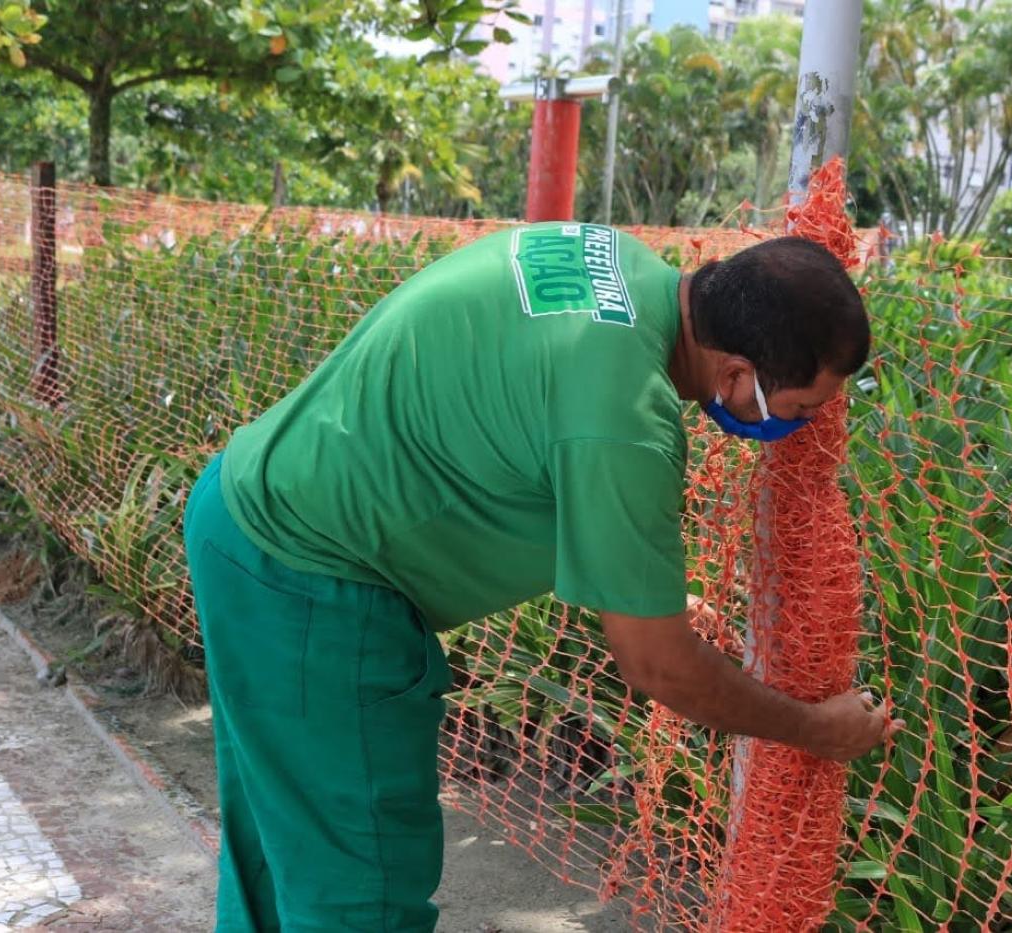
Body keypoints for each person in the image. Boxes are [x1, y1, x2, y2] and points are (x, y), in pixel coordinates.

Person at [183, 222, 903, 931]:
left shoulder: (615, 259)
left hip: (243, 512)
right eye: (804, 408)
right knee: (359, 894)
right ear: (739, 374)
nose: (805, 427)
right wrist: (814, 727)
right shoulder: (627, 418)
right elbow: (658, 665)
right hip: (311, 584)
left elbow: (519, 417)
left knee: (277, 864)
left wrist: (646, 595)